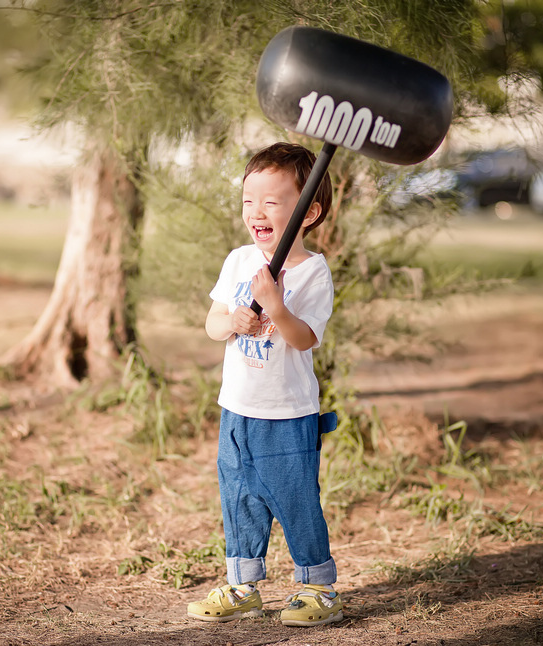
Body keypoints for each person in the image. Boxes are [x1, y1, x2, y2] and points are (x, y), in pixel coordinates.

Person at [187, 142, 342, 627]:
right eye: (248, 199)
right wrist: (234, 320)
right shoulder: (238, 261)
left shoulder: (312, 272)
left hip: (286, 413)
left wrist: (275, 307)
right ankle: (243, 584)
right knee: (239, 497)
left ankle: (318, 585)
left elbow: (304, 337)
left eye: (272, 201)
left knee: (295, 499)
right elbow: (213, 326)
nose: (256, 211)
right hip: (237, 408)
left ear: (308, 211)